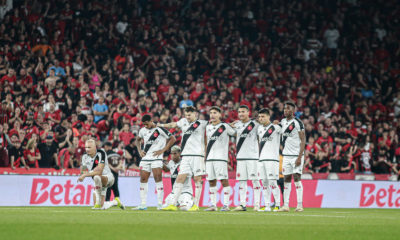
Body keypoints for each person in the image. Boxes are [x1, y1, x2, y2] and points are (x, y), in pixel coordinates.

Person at [160, 106, 207, 211]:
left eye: (189, 115)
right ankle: (173, 204)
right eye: (186, 115)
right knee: (180, 178)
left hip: (197, 156)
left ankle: (196, 205)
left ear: (195, 114)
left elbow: (214, 125)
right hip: (185, 156)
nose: (187, 117)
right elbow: (173, 124)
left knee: (197, 179)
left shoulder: (202, 124)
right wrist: (161, 125)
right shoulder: (183, 122)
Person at [132, 114, 176, 210]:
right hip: (145, 158)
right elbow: (138, 140)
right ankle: (143, 204)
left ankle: (160, 204)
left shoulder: (159, 129)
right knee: (143, 179)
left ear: (151, 121)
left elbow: (173, 138)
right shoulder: (143, 130)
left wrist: (163, 150)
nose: (145, 126)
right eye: (144, 124)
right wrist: (139, 151)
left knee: (158, 179)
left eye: (146, 124)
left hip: (157, 157)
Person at [230, 105, 261, 211]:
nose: (241, 114)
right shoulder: (236, 125)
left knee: (255, 181)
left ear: (248, 112)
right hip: (241, 157)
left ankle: (257, 204)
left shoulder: (255, 124)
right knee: (242, 181)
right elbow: (229, 132)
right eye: (239, 112)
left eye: (243, 111)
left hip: (253, 157)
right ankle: (242, 204)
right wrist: (229, 125)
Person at [205, 106, 236, 211]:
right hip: (209, 158)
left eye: (215, 113)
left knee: (223, 180)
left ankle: (226, 205)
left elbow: (235, 133)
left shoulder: (224, 126)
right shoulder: (208, 127)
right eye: (211, 113)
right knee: (211, 181)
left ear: (220, 115)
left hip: (220, 158)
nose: (212, 115)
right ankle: (213, 205)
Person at [278, 102, 306, 212]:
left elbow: (303, 140)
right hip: (286, 155)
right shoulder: (283, 122)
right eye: (284, 108)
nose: (285, 110)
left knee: (297, 178)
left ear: (293, 111)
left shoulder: (298, 122)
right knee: (286, 179)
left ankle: (299, 205)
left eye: (288, 109)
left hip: (296, 155)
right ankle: (286, 205)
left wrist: (300, 157)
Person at [78, 139, 119, 210]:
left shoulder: (101, 153)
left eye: (89, 147)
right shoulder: (84, 157)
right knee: (101, 206)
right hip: (98, 183)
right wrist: (82, 174)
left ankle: (98, 202)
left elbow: (99, 172)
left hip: (108, 178)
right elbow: (84, 171)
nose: (87, 149)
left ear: (94, 147)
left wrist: (85, 175)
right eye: (86, 147)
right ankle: (115, 202)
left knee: (97, 177)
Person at [257, 108, 281, 212]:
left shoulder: (276, 127)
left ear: (268, 117)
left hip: (272, 160)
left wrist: (279, 124)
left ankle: (278, 205)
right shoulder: (259, 129)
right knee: (264, 183)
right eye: (259, 116)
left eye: (263, 116)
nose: (261, 118)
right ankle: (267, 205)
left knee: (273, 182)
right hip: (261, 160)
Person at [162, 146, 194, 211]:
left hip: (185, 191)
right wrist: (159, 162)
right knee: (163, 207)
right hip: (174, 192)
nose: (173, 155)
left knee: (184, 208)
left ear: (179, 153)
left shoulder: (185, 163)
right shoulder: (171, 162)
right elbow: (166, 170)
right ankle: (177, 202)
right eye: (171, 153)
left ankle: (191, 202)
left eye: (175, 153)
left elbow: (191, 175)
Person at [103, 142, 125, 210]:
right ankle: (119, 202)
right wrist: (117, 169)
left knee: (108, 188)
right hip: (116, 174)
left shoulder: (105, 154)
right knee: (116, 189)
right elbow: (121, 165)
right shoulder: (117, 155)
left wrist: (113, 168)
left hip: (109, 173)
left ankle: (107, 203)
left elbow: (105, 164)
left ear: (106, 146)